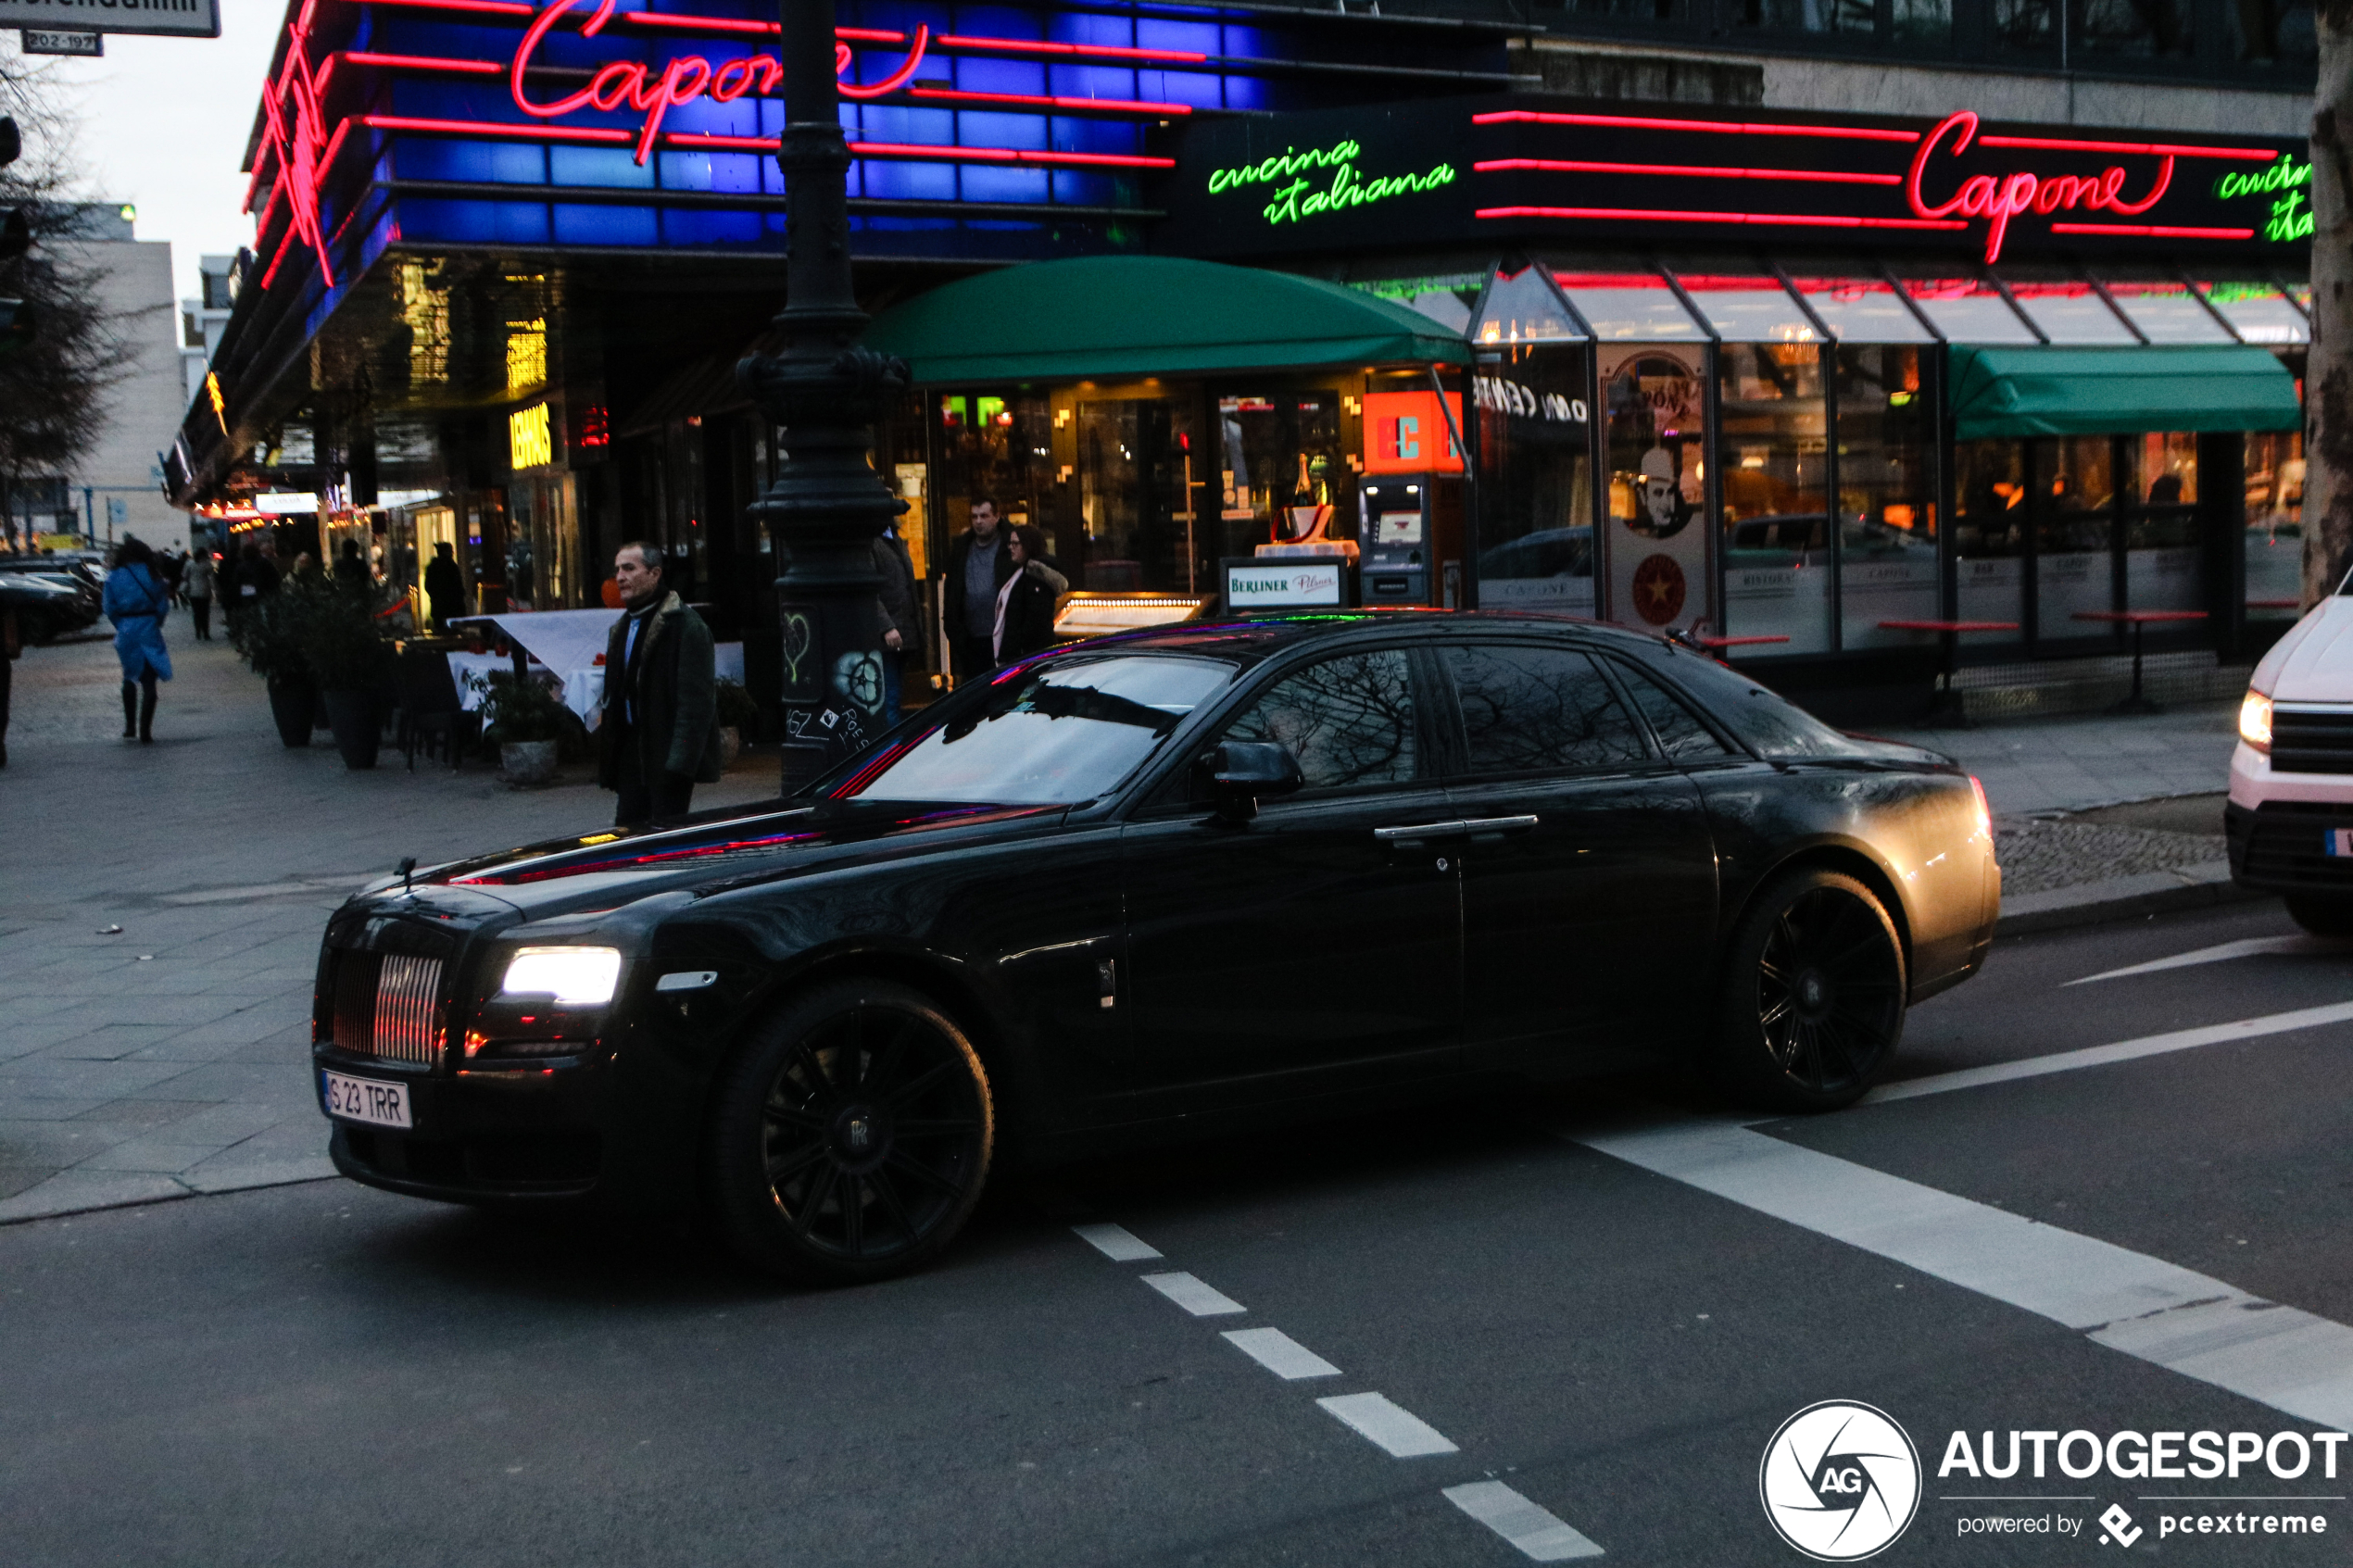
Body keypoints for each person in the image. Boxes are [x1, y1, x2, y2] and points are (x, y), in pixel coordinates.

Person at [598, 541, 724, 827]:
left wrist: (680, 762)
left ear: (655, 574)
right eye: (617, 569)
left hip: (665, 750)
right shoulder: (622, 626)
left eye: (629, 568)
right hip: (631, 748)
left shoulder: (684, 625)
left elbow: (696, 702)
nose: (620, 577)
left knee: (668, 833)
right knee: (627, 828)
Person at [103, 536, 172, 743]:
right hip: (149, 627)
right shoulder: (153, 575)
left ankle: (129, 726)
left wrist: (122, 625)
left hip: (126, 629)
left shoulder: (113, 577)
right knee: (149, 681)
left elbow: (109, 607)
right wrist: (154, 621)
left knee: (129, 676)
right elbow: (162, 605)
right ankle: (145, 730)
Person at [942, 495, 1013, 679]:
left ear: (997, 517)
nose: (979, 521)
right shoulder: (962, 548)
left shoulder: (1009, 546)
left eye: (984, 516)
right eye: (974, 517)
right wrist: (953, 628)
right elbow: (952, 590)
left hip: (1002, 636)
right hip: (970, 639)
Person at [992, 524, 1067, 665]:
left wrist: (1019, 651)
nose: (1010, 547)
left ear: (1028, 545)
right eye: (1010, 543)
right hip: (1022, 654)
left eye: (1015, 543)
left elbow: (1035, 622)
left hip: (1029, 656)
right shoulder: (1019, 572)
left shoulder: (1035, 577)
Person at [873, 519, 918, 727]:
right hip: (889, 634)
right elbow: (871, 592)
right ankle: (891, 753)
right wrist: (887, 626)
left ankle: (893, 750)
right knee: (890, 698)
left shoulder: (895, 539)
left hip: (901, 631)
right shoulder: (873, 542)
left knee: (894, 696)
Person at [423, 541, 465, 632]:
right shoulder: (452, 567)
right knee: (453, 632)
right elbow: (458, 587)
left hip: (438, 607)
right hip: (453, 608)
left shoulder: (432, 567)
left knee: (440, 630)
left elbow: (428, 587)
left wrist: (435, 597)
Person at [183, 546, 215, 641]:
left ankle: (198, 632)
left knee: (196, 613)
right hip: (205, 590)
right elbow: (212, 576)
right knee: (205, 613)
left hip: (193, 591)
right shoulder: (207, 564)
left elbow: (184, 576)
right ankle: (206, 633)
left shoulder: (189, 564)